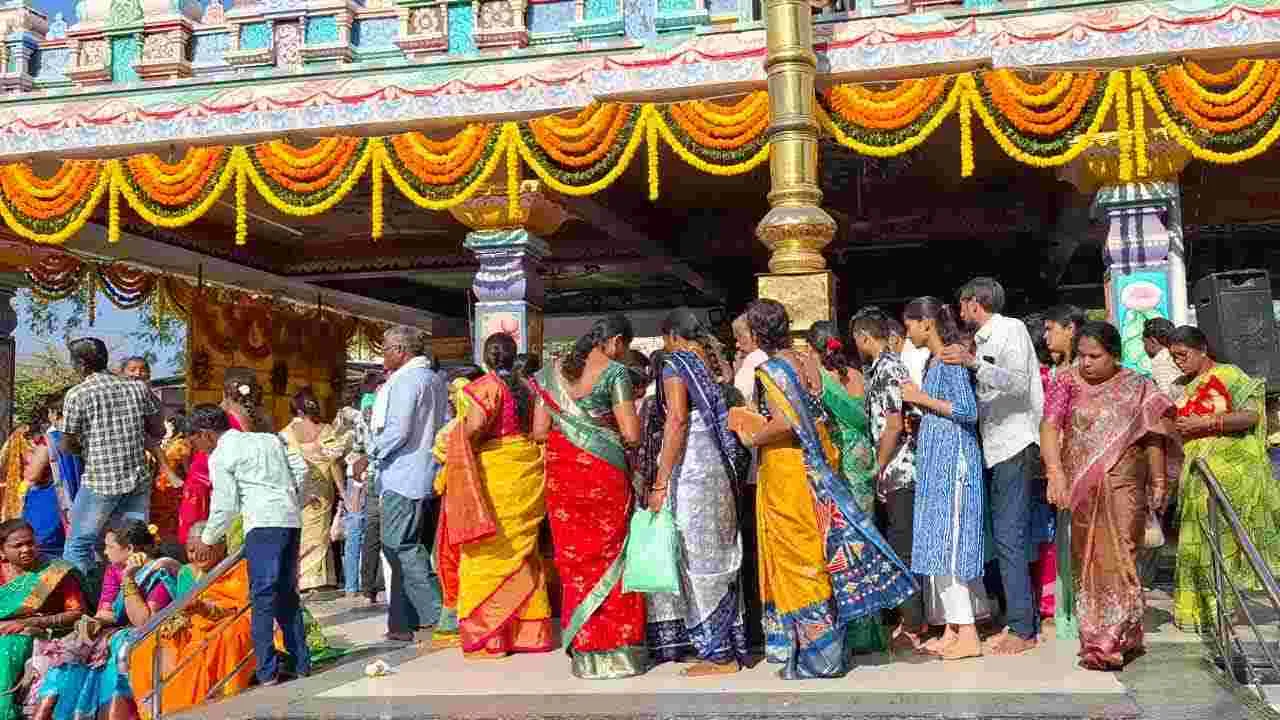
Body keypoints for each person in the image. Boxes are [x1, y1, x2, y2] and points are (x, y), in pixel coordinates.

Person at [737, 300, 915, 679]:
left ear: (757, 333)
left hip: (787, 471)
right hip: (816, 468)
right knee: (818, 553)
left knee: (798, 559)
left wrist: (749, 432)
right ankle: (832, 648)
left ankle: (821, 657)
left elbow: (784, 422)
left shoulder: (772, 370)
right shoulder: (805, 362)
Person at [1041, 322, 1172, 669]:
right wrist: (1055, 473)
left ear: (1114, 355)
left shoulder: (1138, 385)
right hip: (1083, 487)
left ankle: (1117, 636)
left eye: (1095, 356)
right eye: (1082, 355)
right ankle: (1098, 639)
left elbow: (1154, 435)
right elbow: (1050, 426)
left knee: (1122, 556)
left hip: (1125, 484)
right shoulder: (1066, 381)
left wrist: (1159, 480)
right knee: (1089, 560)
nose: (1086, 363)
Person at [531, 314, 647, 679]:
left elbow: (539, 430)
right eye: (624, 348)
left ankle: (584, 650)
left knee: (574, 560)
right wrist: (603, 431)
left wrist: (573, 426)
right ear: (615, 341)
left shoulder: (550, 374)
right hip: (603, 476)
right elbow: (631, 434)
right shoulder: (615, 374)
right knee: (612, 555)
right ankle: (618, 651)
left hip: (563, 478)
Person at [640, 309, 747, 675]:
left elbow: (677, 420)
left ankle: (719, 654)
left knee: (697, 558)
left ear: (672, 336)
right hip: (718, 470)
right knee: (719, 555)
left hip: (694, 471)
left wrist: (660, 482)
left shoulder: (675, 364)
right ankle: (725, 643)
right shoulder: (708, 363)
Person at [435, 333, 553, 659]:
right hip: (526, 473)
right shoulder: (530, 388)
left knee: (485, 557)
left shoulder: (486, 387)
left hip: (496, 477)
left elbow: (474, 428)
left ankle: (492, 638)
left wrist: (459, 444)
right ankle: (526, 633)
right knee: (523, 553)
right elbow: (540, 432)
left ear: (486, 358)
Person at [947, 278, 1044, 655]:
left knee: (1009, 537)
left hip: (1014, 443)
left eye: (962, 304)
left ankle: (1023, 628)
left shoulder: (1010, 329)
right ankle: (1016, 619)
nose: (960, 311)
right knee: (1002, 537)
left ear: (976, 302)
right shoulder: (983, 339)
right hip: (995, 448)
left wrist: (973, 364)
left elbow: (1018, 384)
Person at [186, 404, 311, 686]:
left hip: (262, 524)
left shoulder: (221, 455)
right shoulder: (268, 439)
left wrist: (207, 539)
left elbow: (225, 505)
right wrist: (290, 498)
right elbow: (301, 468)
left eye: (194, 441)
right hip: (289, 520)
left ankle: (267, 671)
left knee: (263, 597)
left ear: (205, 434)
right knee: (286, 594)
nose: (197, 449)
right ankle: (301, 663)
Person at [1167, 326, 1280, 633]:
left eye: (1183, 355)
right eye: (1174, 357)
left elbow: (1251, 415)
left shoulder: (1229, 374)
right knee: (1197, 544)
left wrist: (1206, 423)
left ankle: (1225, 613)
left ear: (1203, 349)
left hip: (1232, 475)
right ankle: (1201, 613)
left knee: (1222, 543)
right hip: (1198, 476)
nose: (1178, 362)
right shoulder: (1181, 386)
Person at [899, 298, 986, 661]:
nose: (907, 332)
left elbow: (967, 410)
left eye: (909, 324)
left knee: (951, 546)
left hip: (955, 464)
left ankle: (969, 635)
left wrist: (920, 398)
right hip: (938, 463)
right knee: (938, 543)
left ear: (926, 323)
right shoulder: (934, 361)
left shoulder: (950, 359)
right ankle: (954, 628)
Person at [31, 520, 177, 720]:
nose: (105, 553)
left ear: (130, 549)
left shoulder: (159, 572)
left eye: (109, 547)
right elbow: (106, 611)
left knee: (118, 645)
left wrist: (128, 579)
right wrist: (94, 622)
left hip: (151, 634)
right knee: (72, 646)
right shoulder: (114, 569)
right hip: (119, 630)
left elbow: (144, 622)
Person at [804, 321, 885, 654]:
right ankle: (872, 628)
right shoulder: (856, 374)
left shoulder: (819, 379)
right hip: (863, 456)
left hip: (839, 458)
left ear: (815, 349)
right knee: (866, 539)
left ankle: (853, 631)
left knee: (841, 543)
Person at [851, 308, 927, 651]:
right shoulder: (884, 367)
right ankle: (911, 618)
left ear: (865, 337)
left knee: (902, 548)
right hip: (897, 469)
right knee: (900, 544)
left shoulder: (888, 369)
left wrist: (877, 467)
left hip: (901, 469)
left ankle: (913, 623)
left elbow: (894, 424)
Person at [60, 338, 164, 582]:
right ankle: (134, 595)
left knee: (78, 545)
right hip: (137, 480)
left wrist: (86, 448)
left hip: (100, 482)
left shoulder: (78, 394)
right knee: (133, 544)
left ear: (81, 364)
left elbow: (66, 443)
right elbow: (157, 430)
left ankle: (83, 597)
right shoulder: (138, 388)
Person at [368, 326, 447, 643]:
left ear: (401, 351)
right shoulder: (434, 379)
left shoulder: (406, 381)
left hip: (403, 476)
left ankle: (436, 613)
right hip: (427, 472)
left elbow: (398, 431)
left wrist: (371, 450)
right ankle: (408, 619)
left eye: (385, 349)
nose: (383, 356)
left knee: (399, 545)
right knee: (414, 546)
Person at [138, 520, 255, 715]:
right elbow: (182, 611)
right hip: (195, 628)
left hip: (230, 624)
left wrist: (207, 610)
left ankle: (225, 700)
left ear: (221, 546)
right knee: (148, 645)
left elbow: (243, 608)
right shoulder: (188, 572)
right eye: (191, 551)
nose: (196, 556)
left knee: (225, 636)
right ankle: (159, 709)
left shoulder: (240, 569)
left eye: (202, 549)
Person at [0, 520, 84, 720]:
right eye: (17, 546)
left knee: (9, 643)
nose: (26, 549)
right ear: (2, 551)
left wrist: (29, 623)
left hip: (40, 631)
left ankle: (4, 711)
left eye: (30, 543)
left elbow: (76, 612)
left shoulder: (54, 571)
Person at [280, 387, 346, 595]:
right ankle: (317, 579)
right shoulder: (325, 430)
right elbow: (334, 463)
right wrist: (343, 492)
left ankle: (300, 578)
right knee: (320, 533)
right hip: (323, 488)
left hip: (298, 489)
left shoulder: (285, 433)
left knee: (300, 532)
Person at [22, 394, 75, 559]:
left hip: (52, 499)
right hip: (76, 496)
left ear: (54, 413)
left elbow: (33, 474)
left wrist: (29, 461)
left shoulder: (51, 440)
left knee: (45, 547)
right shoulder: (81, 435)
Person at [150, 413, 191, 545]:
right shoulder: (167, 443)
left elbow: (187, 470)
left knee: (169, 518)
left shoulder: (181, 444)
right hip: (159, 488)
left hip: (172, 490)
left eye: (166, 424)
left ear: (173, 425)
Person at [1143, 318, 1184, 400]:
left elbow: (1166, 398)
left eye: (1144, 342)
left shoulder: (1160, 361)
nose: (1144, 347)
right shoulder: (1180, 354)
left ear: (1153, 341)